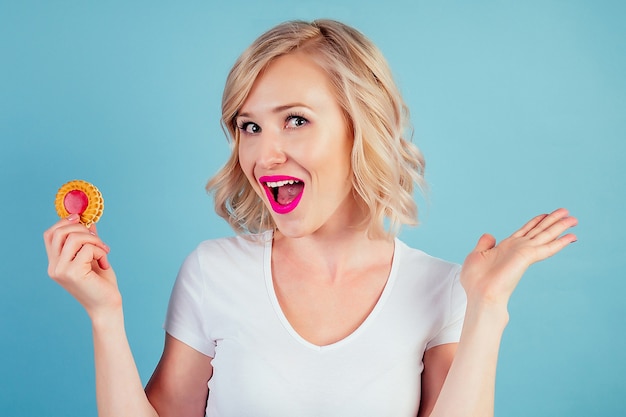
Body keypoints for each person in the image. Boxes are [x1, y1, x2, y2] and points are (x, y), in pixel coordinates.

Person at [43, 19, 577, 417]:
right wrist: (104, 316)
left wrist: (487, 309)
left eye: (294, 120)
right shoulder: (212, 272)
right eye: (249, 127)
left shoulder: (440, 288)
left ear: (360, 127)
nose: (264, 155)